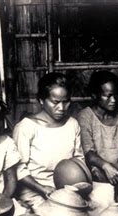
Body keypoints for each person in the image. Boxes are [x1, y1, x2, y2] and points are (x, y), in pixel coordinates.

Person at [13, 72, 84, 208]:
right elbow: (18, 168)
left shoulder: (72, 124)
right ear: (41, 100)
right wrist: (41, 188)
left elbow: (78, 161)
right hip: (35, 193)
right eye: (55, 102)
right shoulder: (26, 127)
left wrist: (76, 189)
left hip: (66, 191)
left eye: (66, 102)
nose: (61, 108)